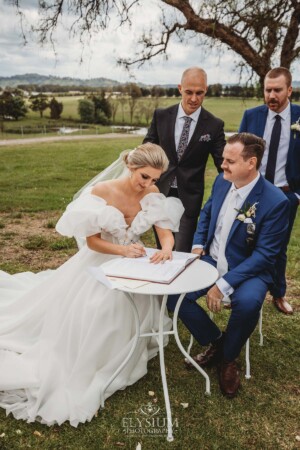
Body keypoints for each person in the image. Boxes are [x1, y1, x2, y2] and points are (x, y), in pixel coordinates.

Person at [0, 143, 184, 427]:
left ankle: (127, 350)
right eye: (144, 176)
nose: (147, 184)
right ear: (131, 167)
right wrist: (123, 251)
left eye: (154, 179)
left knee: (139, 300)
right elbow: (92, 242)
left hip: (132, 260)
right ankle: (96, 360)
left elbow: (165, 232)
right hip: (100, 259)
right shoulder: (101, 192)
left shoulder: (152, 194)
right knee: (102, 306)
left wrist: (168, 248)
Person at [167, 133, 290, 398]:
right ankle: (218, 342)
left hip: (249, 270)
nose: (222, 165)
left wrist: (222, 285)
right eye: (223, 159)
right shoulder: (223, 183)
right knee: (174, 297)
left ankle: (228, 359)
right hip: (210, 258)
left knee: (247, 304)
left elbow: (265, 256)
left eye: (229, 161)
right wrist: (199, 243)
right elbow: (207, 213)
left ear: (251, 163)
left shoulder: (276, 202)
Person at [143, 67, 226, 252]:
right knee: (163, 247)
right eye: (189, 92)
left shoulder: (214, 125)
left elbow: (223, 163)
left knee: (181, 251)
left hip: (189, 198)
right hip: (159, 192)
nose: (194, 99)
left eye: (199, 93)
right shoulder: (161, 116)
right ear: (180, 88)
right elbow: (148, 148)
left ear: (206, 90)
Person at [239, 67, 300, 315]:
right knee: (242, 240)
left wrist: (297, 195)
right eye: (268, 90)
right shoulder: (251, 116)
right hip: (253, 192)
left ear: (289, 90)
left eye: (277, 90)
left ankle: (278, 293)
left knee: (278, 247)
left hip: (285, 195)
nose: (271, 95)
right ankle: (239, 289)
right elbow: (240, 154)